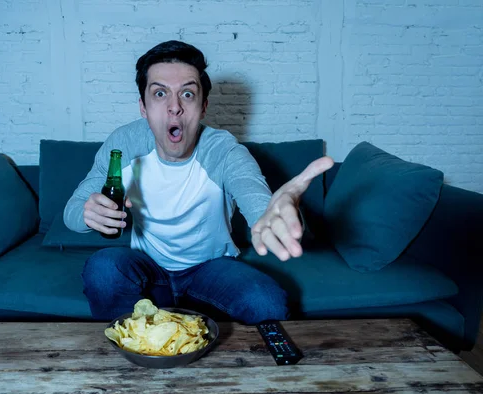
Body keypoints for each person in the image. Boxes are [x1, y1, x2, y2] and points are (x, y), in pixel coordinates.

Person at [64, 40, 333, 324]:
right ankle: (135, 346)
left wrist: (278, 213)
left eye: (188, 94)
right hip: (148, 271)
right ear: (143, 107)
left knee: (266, 302)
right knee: (103, 268)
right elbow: (72, 211)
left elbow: (260, 205)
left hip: (210, 271)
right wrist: (87, 213)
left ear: (203, 106)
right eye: (159, 93)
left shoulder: (224, 151)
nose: (174, 107)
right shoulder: (124, 144)